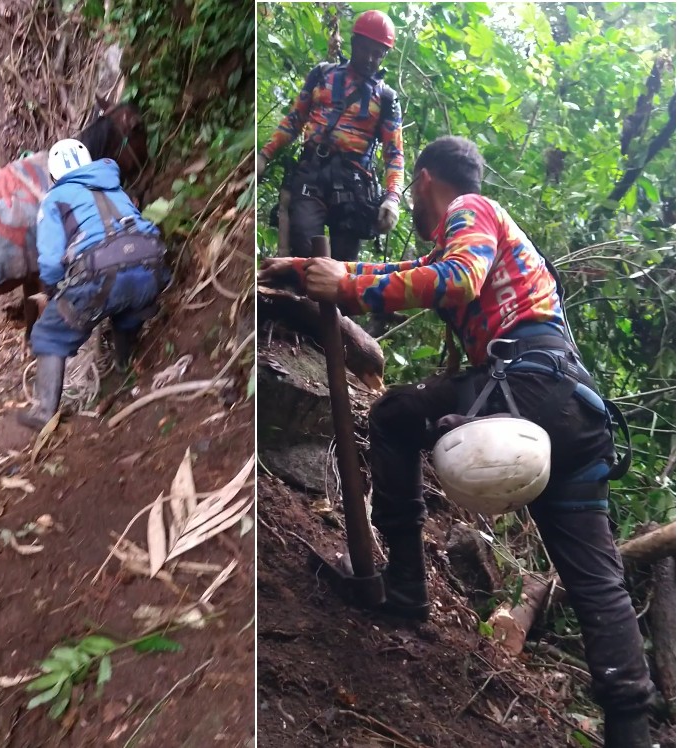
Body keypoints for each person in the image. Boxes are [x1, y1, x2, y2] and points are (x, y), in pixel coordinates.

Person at [259, 136, 656, 746]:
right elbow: (405, 274)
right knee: (596, 580)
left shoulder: (470, 208)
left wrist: (346, 285)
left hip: (526, 387)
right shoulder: (484, 232)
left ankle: (407, 587)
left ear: (423, 181)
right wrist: (323, 275)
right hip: (572, 413)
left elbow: (456, 279)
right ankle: (631, 728)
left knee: (394, 415)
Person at [18, 139, 169, 430]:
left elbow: (49, 263)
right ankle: (124, 365)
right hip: (151, 266)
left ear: (53, 176)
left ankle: (43, 413)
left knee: (49, 333)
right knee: (129, 308)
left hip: (98, 275)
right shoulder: (115, 187)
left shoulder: (54, 199)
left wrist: (53, 292)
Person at [256, 9, 404, 262]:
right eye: (365, 49)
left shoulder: (387, 98)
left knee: (343, 266)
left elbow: (394, 153)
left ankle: (331, 303)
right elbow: (294, 120)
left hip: (354, 183)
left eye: (377, 54)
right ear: (354, 43)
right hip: (312, 170)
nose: (370, 58)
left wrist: (392, 198)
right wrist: (263, 155)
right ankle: (298, 299)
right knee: (303, 245)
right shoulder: (322, 75)